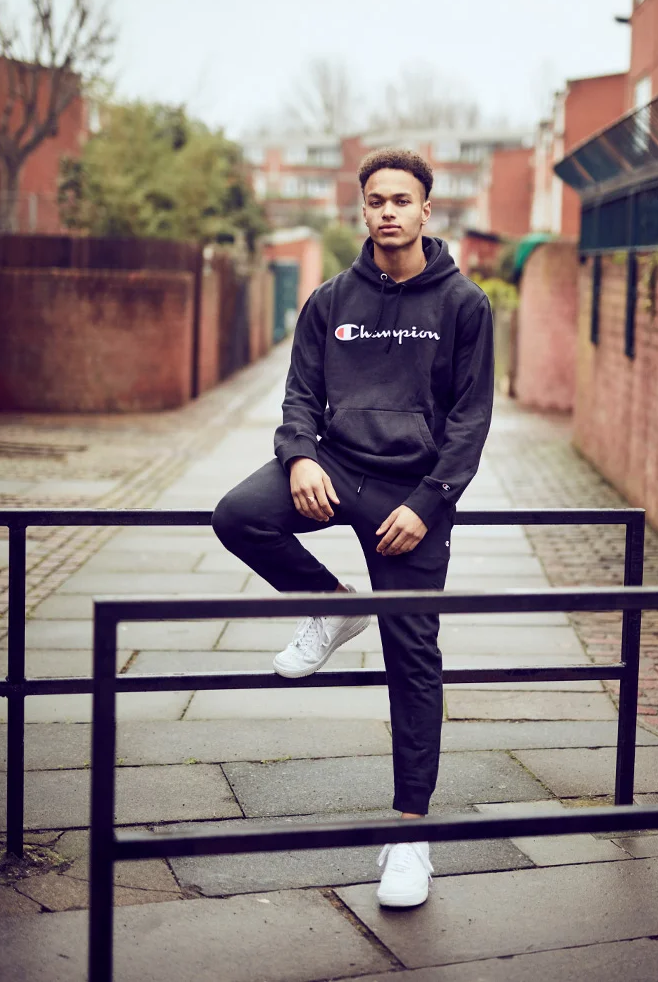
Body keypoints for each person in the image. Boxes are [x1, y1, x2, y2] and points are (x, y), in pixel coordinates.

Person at [212, 147, 495, 908]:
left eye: (403, 199)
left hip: (410, 497)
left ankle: (409, 835)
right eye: (376, 200)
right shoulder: (330, 301)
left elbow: (471, 419)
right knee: (238, 516)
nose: (389, 212)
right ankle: (335, 604)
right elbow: (299, 395)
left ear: (427, 210)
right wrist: (300, 459)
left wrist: (430, 503)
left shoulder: (464, 305)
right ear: (362, 210)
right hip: (334, 470)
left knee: (413, 654)